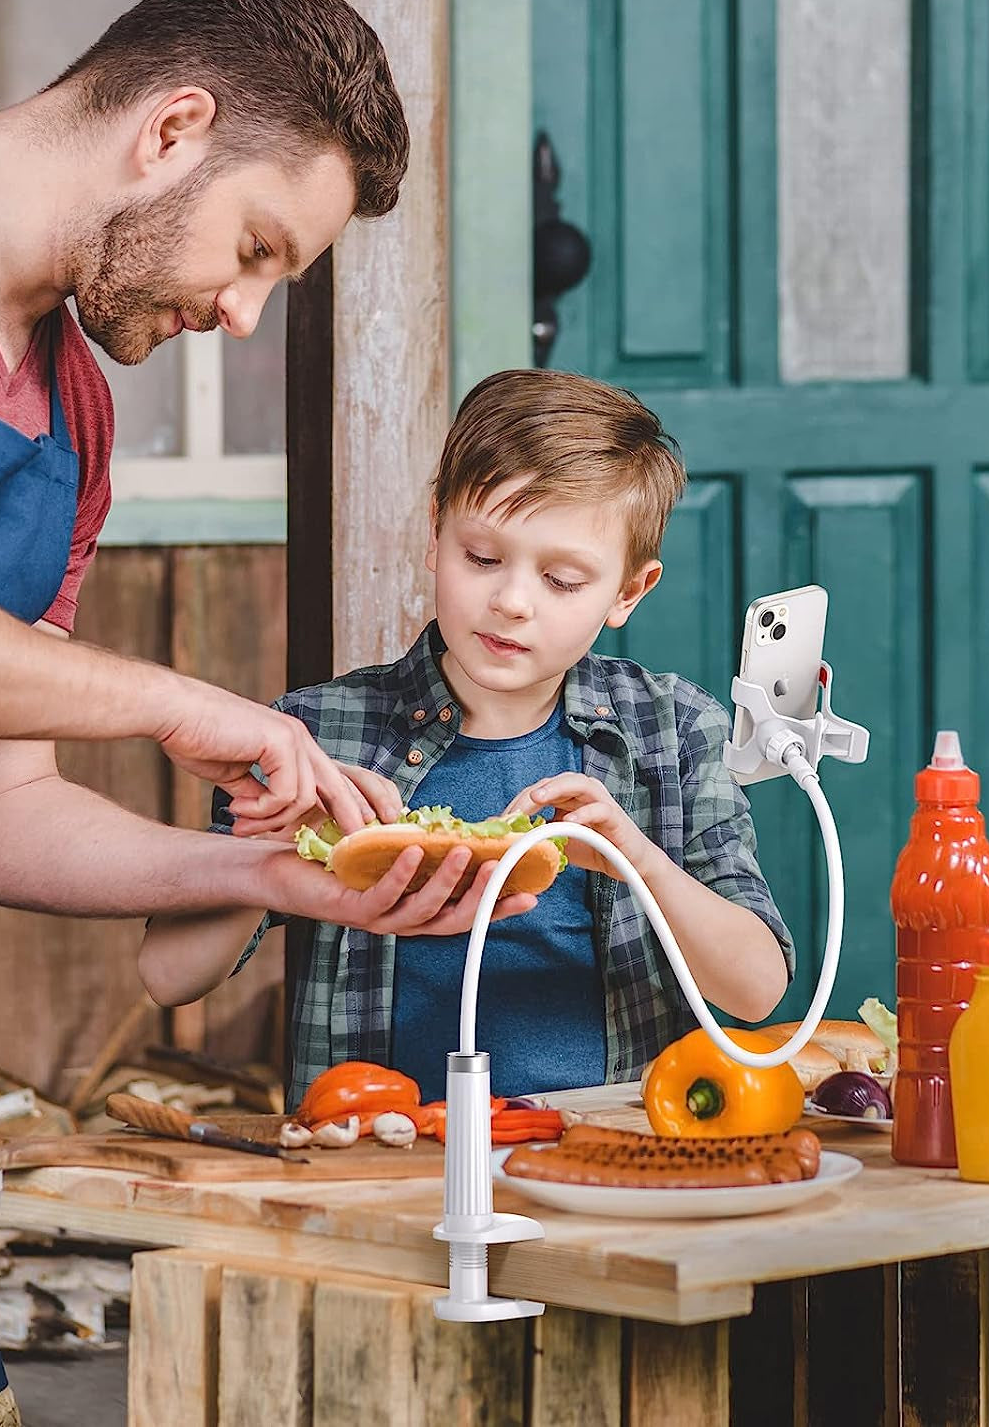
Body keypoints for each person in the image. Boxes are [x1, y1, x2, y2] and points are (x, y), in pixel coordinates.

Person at [0, 0, 494, 1426]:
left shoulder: (75, 419)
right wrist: (174, 704)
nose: (242, 311)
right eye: (258, 248)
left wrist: (266, 875)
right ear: (172, 130)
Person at [141, 369, 796, 1110]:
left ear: (628, 592)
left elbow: (756, 990)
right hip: (374, 1149)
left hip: (610, 1151)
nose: (511, 601)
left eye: (562, 580)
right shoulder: (318, 732)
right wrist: (272, 840)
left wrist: (636, 859)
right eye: (481, 558)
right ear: (434, 534)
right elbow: (169, 974)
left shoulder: (673, 730)